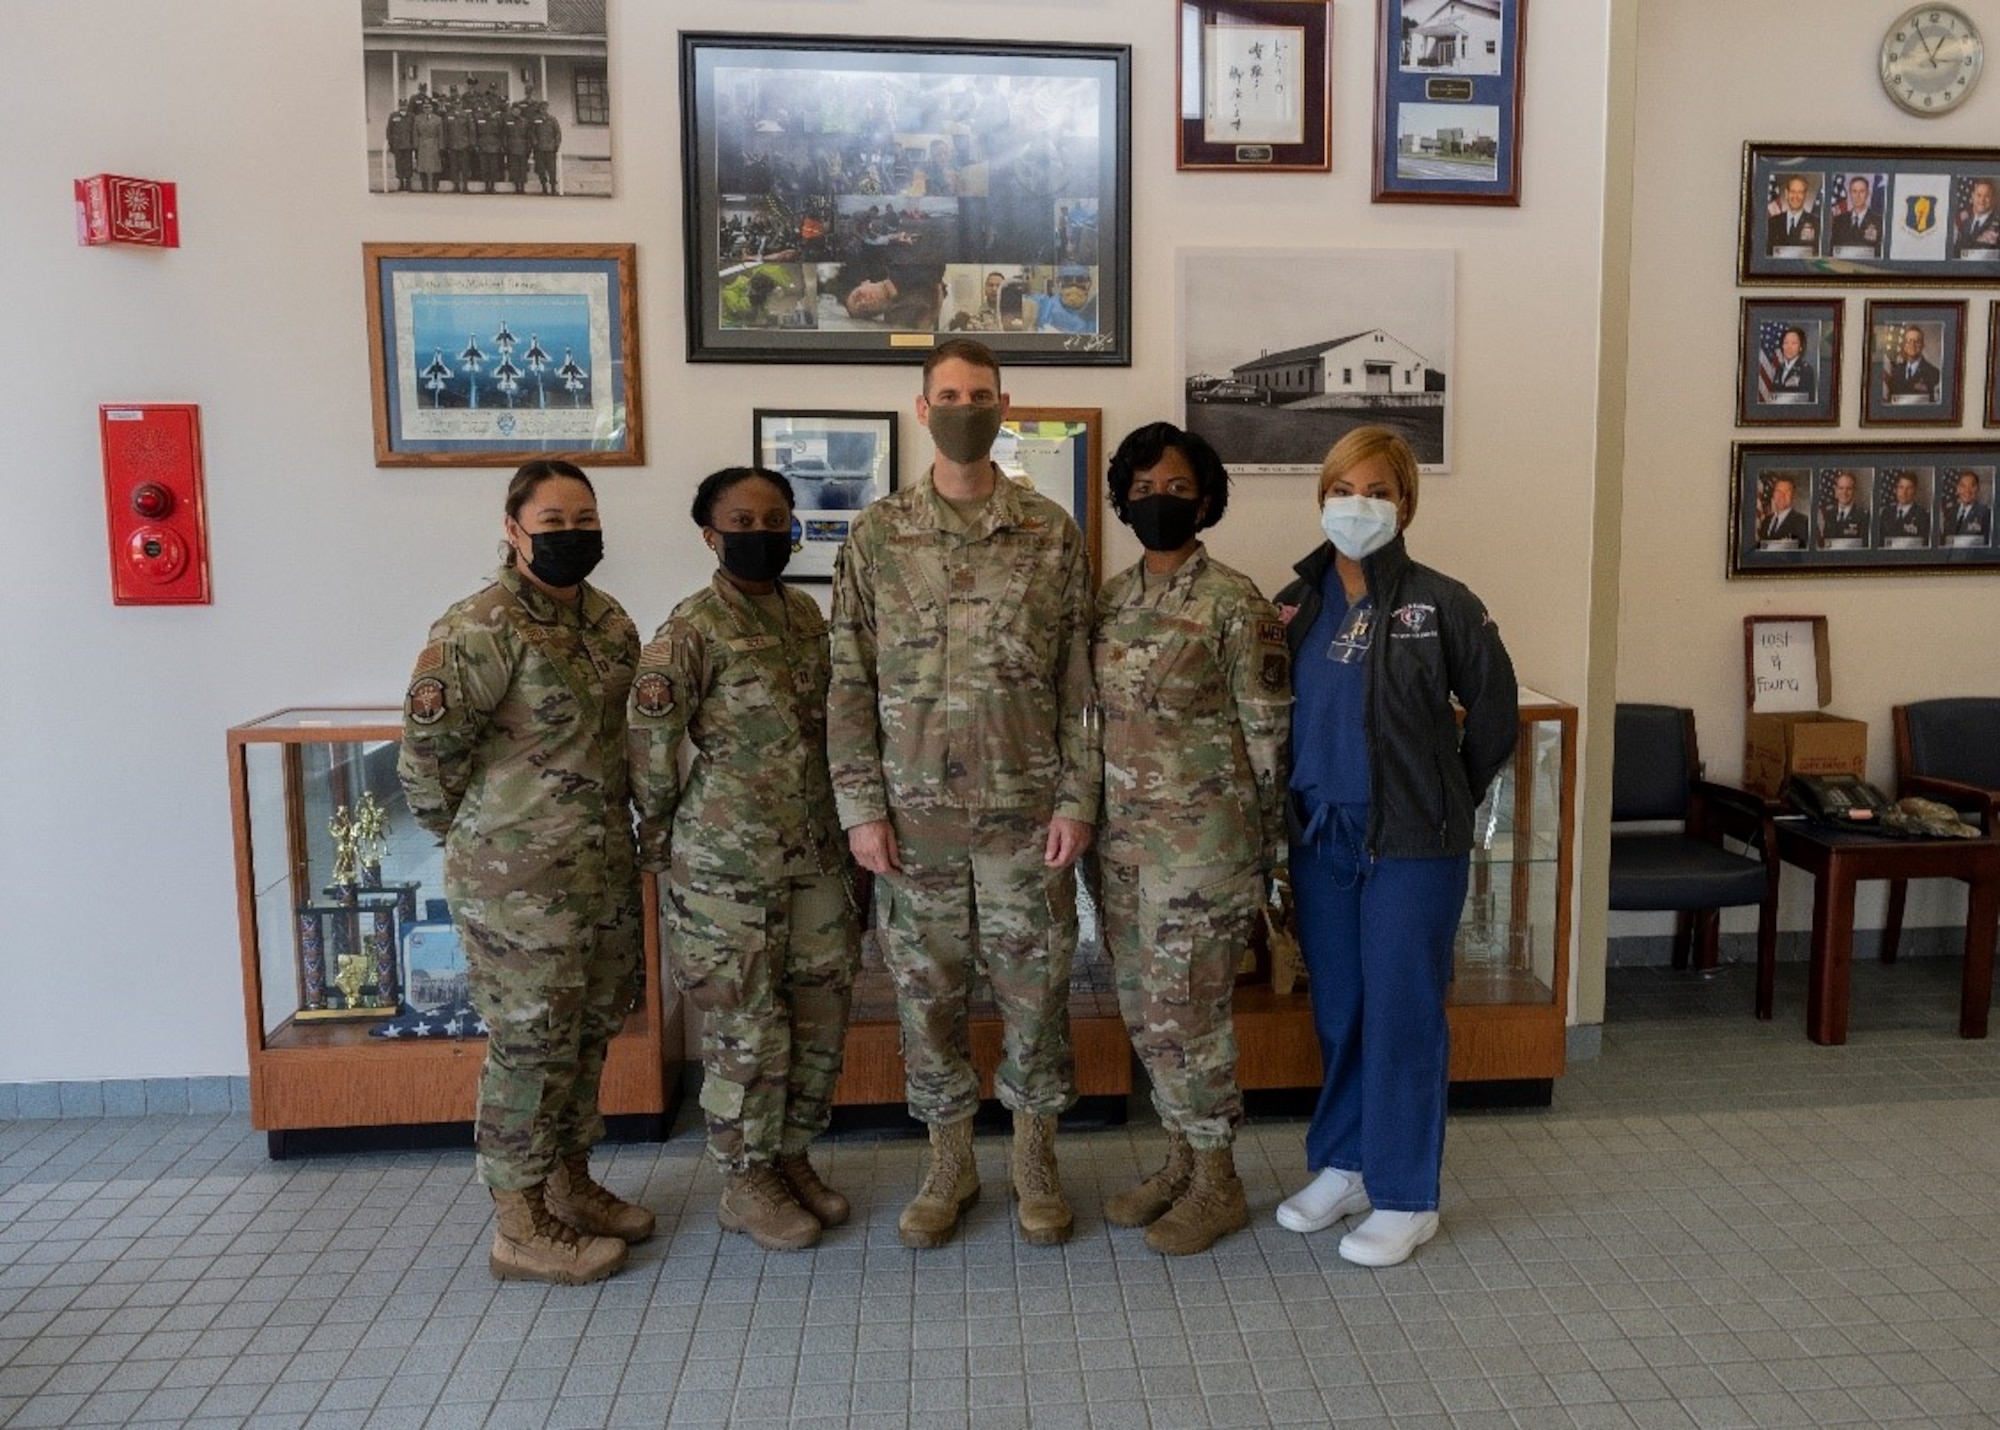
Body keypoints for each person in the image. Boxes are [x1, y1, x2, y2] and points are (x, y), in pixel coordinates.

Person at [828, 337, 1099, 1249]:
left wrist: (1078, 799)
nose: (963, 406)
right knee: (928, 993)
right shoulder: (877, 536)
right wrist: (860, 808)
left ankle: (1033, 1160)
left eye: (979, 393)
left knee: (1037, 990)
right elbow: (848, 681)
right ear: (921, 408)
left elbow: (1077, 680)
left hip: (1027, 817)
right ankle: (948, 1162)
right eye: (948, 393)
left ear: (1003, 404)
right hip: (916, 820)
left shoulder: (1049, 530)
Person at [397, 460, 649, 1286]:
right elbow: (427, 765)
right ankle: (518, 1220)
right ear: (513, 528)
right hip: (517, 882)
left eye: (584, 517)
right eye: (552, 519)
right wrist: (487, 839)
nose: (571, 533)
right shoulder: (479, 628)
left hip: (602, 866)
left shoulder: (609, 621)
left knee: (586, 1034)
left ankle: (570, 1187)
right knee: (530, 1046)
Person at [1271, 427, 1516, 1268]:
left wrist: (1446, 796)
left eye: (1375, 490)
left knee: (1404, 1015)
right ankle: (1346, 1164)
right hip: (1322, 840)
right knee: (1341, 1012)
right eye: (1341, 488)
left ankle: (1408, 1195)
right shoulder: (1294, 605)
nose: (1356, 505)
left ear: (1405, 503)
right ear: (1321, 499)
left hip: (1415, 846)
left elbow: (1493, 716)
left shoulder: (1441, 603)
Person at [628, 467, 861, 1252]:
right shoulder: (690, 630)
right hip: (728, 866)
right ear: (709, 534)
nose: (761, 533)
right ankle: (743, 1180)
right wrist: (662, 840)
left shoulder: (806, 616)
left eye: (776, 519)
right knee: (747, 1027)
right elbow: (652, 747)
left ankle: (790, 1157)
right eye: (742, 519)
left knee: (820, 1015)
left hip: (817, 854)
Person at [1091, 423, 1291, 1255]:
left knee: (1191, 1016)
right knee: (1144, 1012)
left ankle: (1218, 1181)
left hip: (1203, 849)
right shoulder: (1108, 600)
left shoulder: (1236, 604)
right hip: (1122, 850)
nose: (1158, 502)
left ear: (1206, 499)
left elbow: (1270, 741)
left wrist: (1265, 856)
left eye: (1176, 489)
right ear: (1121, 500)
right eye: (1142, 490)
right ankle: (1179, 1158)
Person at [1882, 325, 1942, 403]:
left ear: (1923, 345)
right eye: (1909, 341)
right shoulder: (1896, 371)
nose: (1912, 345)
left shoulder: (1933, 373)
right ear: (1904, 346)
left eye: (1916, 341)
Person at [1765, 174, 1819, 254]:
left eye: (1800, 192)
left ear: (1805, 195)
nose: (1795, 196)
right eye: (1792, 191)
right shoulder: (1772, 222)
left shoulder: (1816, 223)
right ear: (1786, 193)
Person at [1830, 175, 1882, 256]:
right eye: (1854, 191)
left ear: (1868, 193)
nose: (1857, 196)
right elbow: (1832, 251)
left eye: (1862, 191)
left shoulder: (1879, 221)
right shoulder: (1838, 221)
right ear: (1850, 193)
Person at [1817, 470, 1871, 548]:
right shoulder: (1827, 515)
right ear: (1836, 491)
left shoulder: (1863, 516)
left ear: (1854, 491)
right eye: (1841, 488)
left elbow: (1865, 547)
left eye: (1849, 489)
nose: (1844, 492)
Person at [1939, 469, 1993, 544]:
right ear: (1957, 488)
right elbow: (1944, 543)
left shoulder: (1985, 513)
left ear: (1978, 488)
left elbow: (1988, 544)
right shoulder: (1950, 512)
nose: (1967, 491)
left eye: (1972, 486)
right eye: (1963, 486)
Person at [1952, 178, 1999, 259]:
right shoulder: (1964, 224)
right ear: (1972, 196)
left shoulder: (1997, 225)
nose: (1982, 200)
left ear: (1993, 199)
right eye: (1979, 195)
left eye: (1987, 196)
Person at [1881, 471, 1932, 546]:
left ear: (1915, 491)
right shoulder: (1886, 513)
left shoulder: (1923, 516)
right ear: (1896, 489)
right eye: (1901, 487)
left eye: (1909, 488)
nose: (1904, 492)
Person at [1757, 475, 1809, 547]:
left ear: (1793, 496)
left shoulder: (1802, 521)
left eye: (1787, 492)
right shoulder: (1766, 521)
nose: (1782, 496)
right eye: (1778, 491)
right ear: (1773, 494)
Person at [1769, 327, 1815, 402]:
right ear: (1782, 346)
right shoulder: (1779, 369)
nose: (1789, 347)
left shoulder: (1806, 370)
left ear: (1801, 347)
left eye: (1794, 343)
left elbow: (1807, 400)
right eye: (1786, 343)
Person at [532, 101, 563, 195]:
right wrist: (535, 143)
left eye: (545, 108)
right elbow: (532, 133)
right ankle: (544, 188)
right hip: (540, 149)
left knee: (552, 169)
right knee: (541, 170)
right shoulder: (535, 120)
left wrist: (556, 145)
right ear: (540, 109)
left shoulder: (552, 119)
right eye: (542, 108)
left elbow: (558, 133)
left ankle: (553, 188)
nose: (543, 110)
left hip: (550, 148)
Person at [386, 104, 415, 192]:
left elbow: (413, 131)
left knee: (408, 164)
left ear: (407, 107)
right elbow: (389, 130)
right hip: (397, 145)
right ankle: (401, 183)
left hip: (408, 145)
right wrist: (391, 144)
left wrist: (413, 143)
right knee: (399, 164)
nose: (403, 108)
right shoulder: (393, 116)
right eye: (401, 106)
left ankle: (408, 183)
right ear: (399, 107)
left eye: (405, 106)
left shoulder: (411, 116)